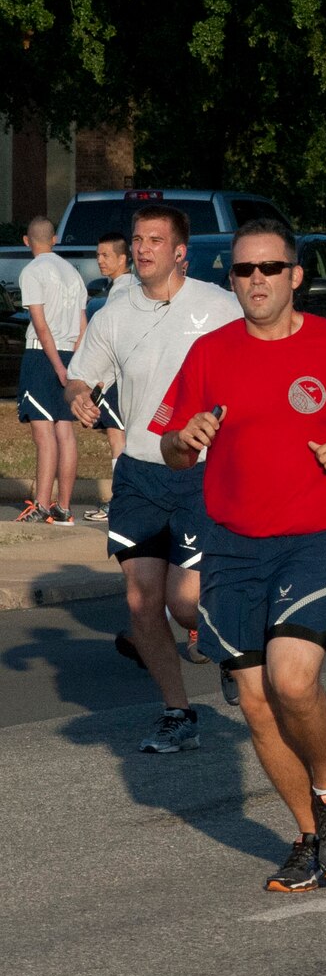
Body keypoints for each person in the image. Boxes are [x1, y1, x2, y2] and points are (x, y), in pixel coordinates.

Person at [156, 217, 326, 892]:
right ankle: (309, 835)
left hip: (316, 534)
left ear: (295, 276)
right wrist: (184, 438)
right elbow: (171, 448)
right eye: (243, 271)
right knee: (253, 700)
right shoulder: (212, 353)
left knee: (292, 679)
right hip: (232, 543)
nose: (256, 282)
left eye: (269, 269)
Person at [63, 204, 242, 749]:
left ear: (180, 251)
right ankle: (177, 711)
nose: (142, 249)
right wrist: (81, 400)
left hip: (200, 472)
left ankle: (230, 649)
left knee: (185, 602)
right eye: (137, 239)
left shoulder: (219, 307)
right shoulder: (114, 314)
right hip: (140, 471)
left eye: (155, 240)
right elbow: (78, 379)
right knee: (141, 601)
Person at [14, 216, 87, 525]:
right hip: (72, 351)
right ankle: (64, 508)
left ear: (26, 241)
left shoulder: (33, 271)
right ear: (55, 239)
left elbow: (40, 325)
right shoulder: (73, 273)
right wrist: (77, 364)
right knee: (64, 430)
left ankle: (42, 505)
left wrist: (56, 365)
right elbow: (83, 324)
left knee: (43, 432)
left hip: (44, 356)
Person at [83, 233, 136, 507]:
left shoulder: (122, 292)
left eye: (106, 255)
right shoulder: (126, 287)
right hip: (122, 377)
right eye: (98, 255)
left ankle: (121, 499)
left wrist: (101, 381)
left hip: (117, 378)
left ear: (123, 258)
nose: (100, 261)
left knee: (118, 438)